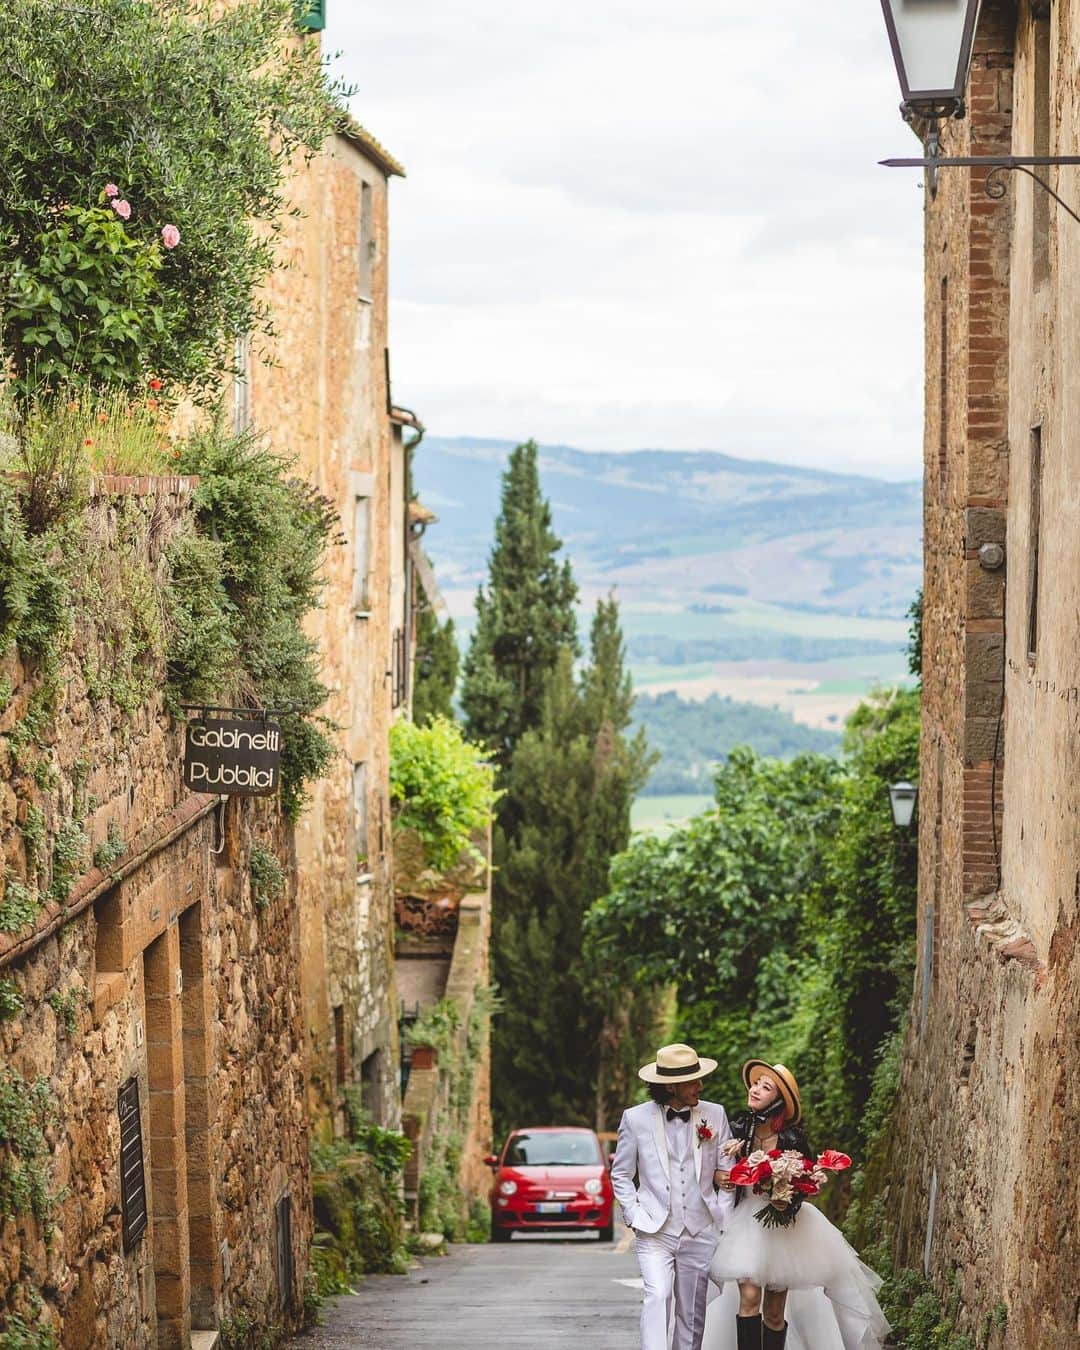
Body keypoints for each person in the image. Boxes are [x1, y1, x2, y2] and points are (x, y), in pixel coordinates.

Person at [703, 1060, 891, 1350]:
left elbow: (806, 1181)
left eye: (765, 1087)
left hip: (782, 1226)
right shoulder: (738, 1127)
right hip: (745, 1224)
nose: (755, 1090)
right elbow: (715, 1165)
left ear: (778, 1101)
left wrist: (784, 1193)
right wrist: (720, 1176)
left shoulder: (792, 1137)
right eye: (755, 1084)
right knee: (749, 1298)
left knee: (775, 1312)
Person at [611, 1043, 736, 1350]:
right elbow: (621, 1174)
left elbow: (728, 1172)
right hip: (655, 1230)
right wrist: (633, 1213)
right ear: (670, 1085)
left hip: (701, 1228)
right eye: (693, 1081)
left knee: (692, 1311)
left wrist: (721, 1219)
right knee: (658, 1295)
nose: (700, 1086)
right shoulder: (635, 1119)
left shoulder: (715, 1114)